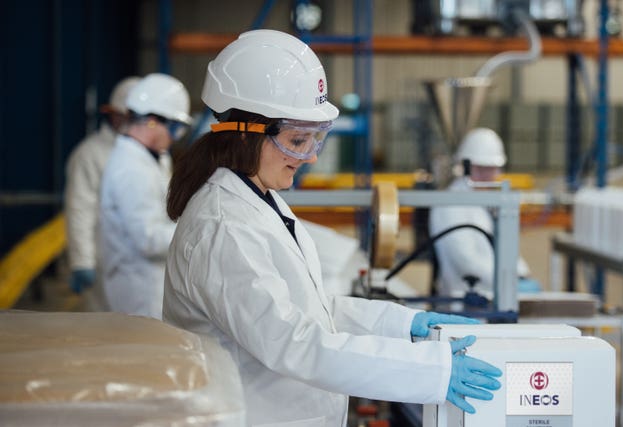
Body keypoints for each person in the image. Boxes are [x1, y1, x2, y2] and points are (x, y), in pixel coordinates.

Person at [163, 29, 501, 426]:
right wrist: (430, 371)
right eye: (297, 140)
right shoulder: (223, 226)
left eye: (315, 140)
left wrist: (402, 325)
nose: (308, 157)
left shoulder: (258, 199)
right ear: (245, 133)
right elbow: (293, 342)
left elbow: (312, 312)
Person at [99, 73, 191, 319]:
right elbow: (148, 240)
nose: (174, 137)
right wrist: (195, 229)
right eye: (174, 128)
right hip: (140, 288)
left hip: (154, 281)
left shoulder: (153, 158)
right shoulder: (129, 168)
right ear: (151, 121)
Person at [429, 127, 540, 297]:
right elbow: (465, 261)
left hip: (492, 295)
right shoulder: (450, 204)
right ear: (464, 166)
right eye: (481, 169)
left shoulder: (481, 201)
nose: (489, 176)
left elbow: (501, 248)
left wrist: (522, 272)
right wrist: (510, 282)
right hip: (464, 300)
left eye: (492, 169)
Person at [64, 76, 140, 306]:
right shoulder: (90, 154)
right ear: (113, 114)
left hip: (145, 263)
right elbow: (80, 209)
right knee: (106, 333)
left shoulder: (156, 155)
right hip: (105, 261)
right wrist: (82, 261)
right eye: (127, 116)